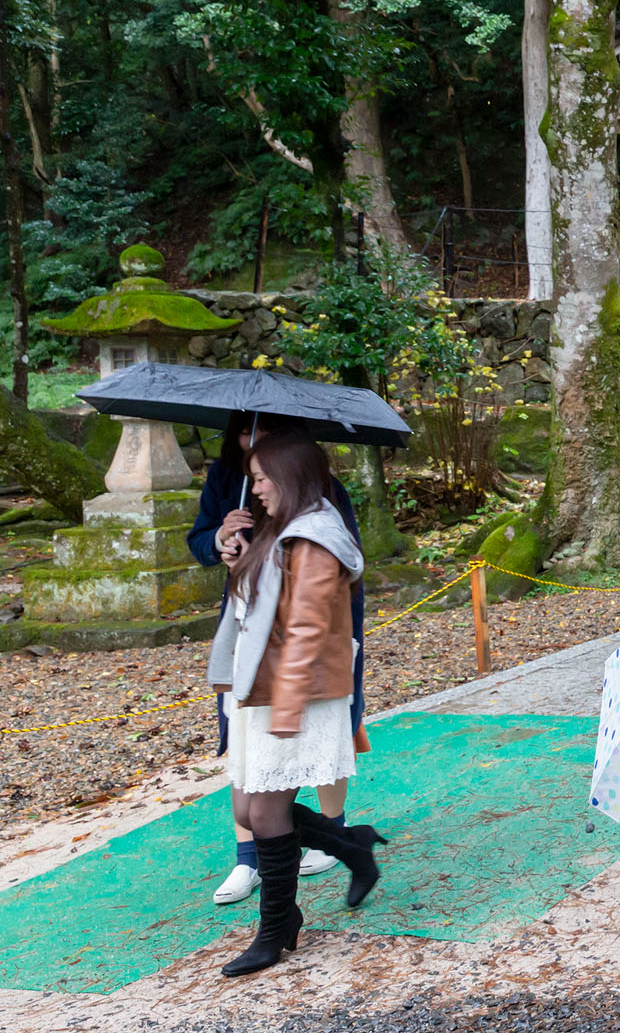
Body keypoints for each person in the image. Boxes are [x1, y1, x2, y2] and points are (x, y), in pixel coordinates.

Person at [206, 430, 387, 976]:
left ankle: (277, 925)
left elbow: (306, 628)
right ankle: (353, 848)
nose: (254, 487)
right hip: (261, 687)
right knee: (249, 809)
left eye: (261, 477)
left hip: (295, 690)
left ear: (288, 476)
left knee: (263, 811)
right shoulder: (279, 530)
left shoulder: (315, 537)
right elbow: (258, 606)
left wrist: (285, 707)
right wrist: (232, 552)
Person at [189, 412, 364, 904]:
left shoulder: (319, 504)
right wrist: (225, 543)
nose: (251, 445)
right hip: (249, 648)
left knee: (271, 799)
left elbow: (318, 599)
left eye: (263, 440)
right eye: (244, 434)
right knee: (251, 796)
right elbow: (201, 542)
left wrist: (290, 700)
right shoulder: (230, 480)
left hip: (293, 660)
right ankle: (335, 847)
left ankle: (290, 889)